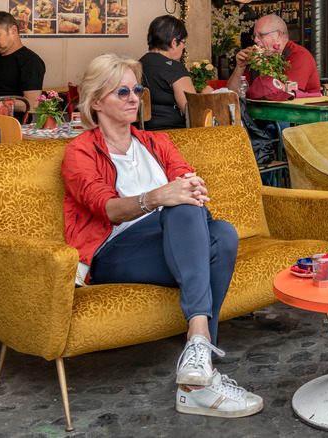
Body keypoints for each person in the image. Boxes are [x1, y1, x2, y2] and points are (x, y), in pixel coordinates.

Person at [61, 53, 263, 418]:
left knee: (224, 233)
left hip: (171, 243)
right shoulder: (80, 152)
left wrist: (191, 187)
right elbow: (105, 208)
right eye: (121, 91)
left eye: (136, 89)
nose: (134, 98)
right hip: (114, 253)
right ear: (95, 103)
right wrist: (158, 197)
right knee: (185, 208)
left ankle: (196, 371)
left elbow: (186, 178)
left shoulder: (156, 143)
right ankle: (201, 354)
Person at [139, 15, 214, 131]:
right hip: (174, 136)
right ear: (174, 42)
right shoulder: (174, 68)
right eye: (184, 42)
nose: (183, 47)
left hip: (141, 135)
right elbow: (193, 113)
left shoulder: (137, 65)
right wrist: (204, 96)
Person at [226, 14, 320, 97]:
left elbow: (287, 94)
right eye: (254, 36)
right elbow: (231, 94)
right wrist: (240, 67)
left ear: (279, 35)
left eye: (260, 35)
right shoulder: (262, 56)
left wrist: (264, 66)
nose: (255, 40)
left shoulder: (299, 56)